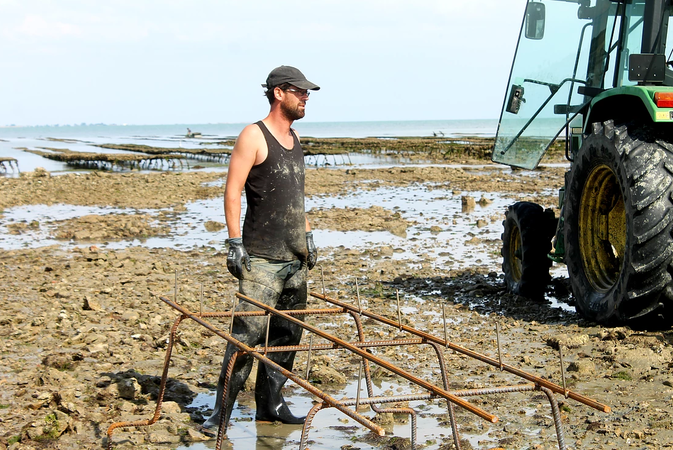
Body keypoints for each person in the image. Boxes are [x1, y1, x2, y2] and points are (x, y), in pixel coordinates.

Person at [202, 65, 320, 432]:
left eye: (307, 93)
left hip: (295, 260)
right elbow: (232, 190)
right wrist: (234, 242)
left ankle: (270, 407)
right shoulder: (253, 136)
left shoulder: (296, 138)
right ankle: (219, 415)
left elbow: (295, 198)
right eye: (299, 92)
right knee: (245, 339)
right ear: (278, 93)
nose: (306, 98)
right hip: (263, 260)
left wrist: (308, 235)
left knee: (286, 337)